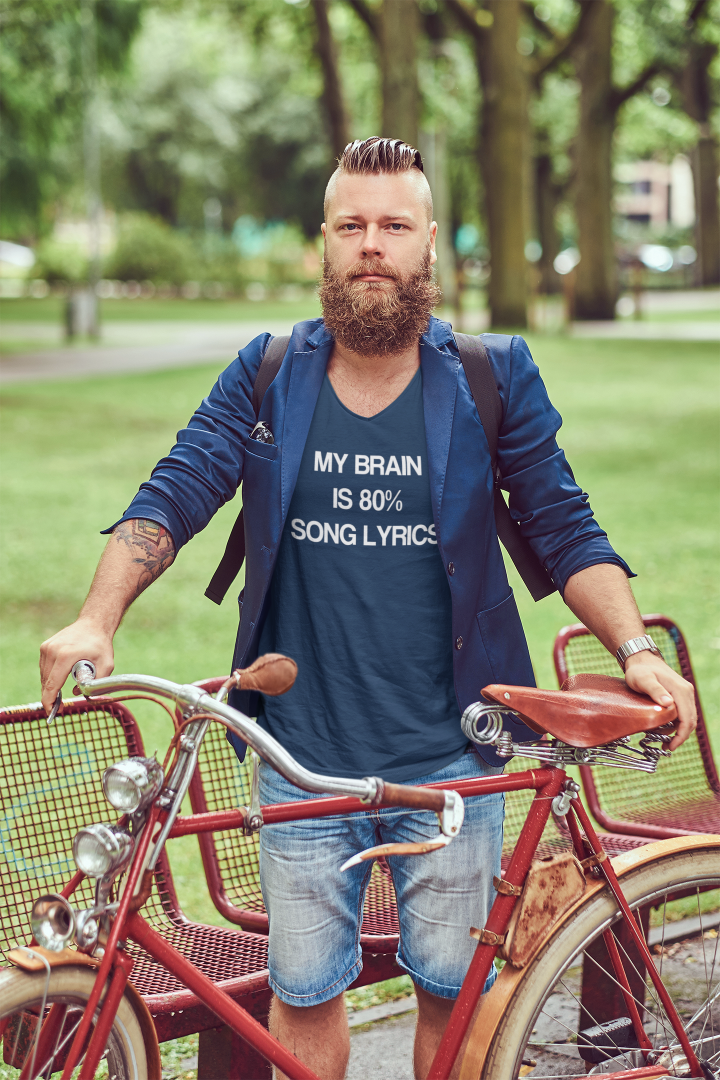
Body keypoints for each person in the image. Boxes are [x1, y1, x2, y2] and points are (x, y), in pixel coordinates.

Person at [40, 137, 696, 1080]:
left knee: (451, 995)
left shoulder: (489, 375)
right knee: (304, 996)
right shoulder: (269, 371)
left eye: (395, 226)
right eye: (352, 226)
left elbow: (564, 527)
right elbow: (175, 491)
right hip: (299, 756)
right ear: (325, 243)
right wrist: (98, 616)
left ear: (431, 244)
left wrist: (634, 648)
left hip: (455, 754)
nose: (372, 245)